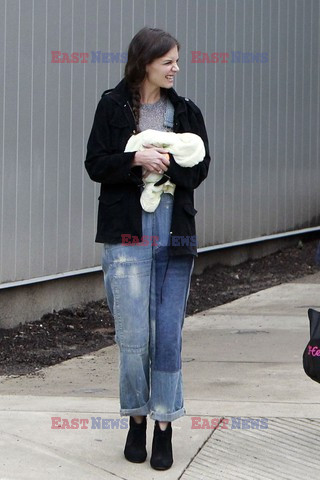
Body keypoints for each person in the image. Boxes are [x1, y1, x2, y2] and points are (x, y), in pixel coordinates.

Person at [85, 26, 211, 471]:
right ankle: (136, 417)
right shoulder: (112, 105)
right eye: (168, 62)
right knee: (135, 337)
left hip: (175, 233)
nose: (176, 68)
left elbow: (201, 169)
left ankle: (164, 425)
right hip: (127, 234)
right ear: (145, 64)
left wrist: (170, 166)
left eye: (177, 60)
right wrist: (136, 160)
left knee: (169, 336)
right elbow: (95, 164)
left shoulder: (187, 112)